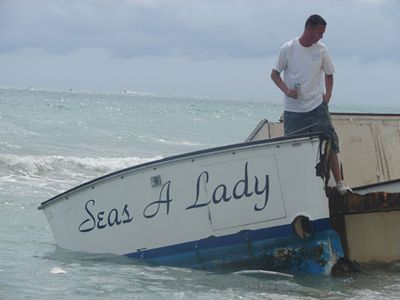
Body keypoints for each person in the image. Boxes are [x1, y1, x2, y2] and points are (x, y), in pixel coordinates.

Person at [270, 14, 351, 195]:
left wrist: (328, 95)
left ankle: (340, 183)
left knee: (330, 143)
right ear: (309, 29)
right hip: (293, 110)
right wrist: (287, 91)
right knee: (292, 148)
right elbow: (274, 74)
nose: (321, 36)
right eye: (319, 32)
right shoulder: (288, 49)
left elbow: (329, 74)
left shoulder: (321, 50)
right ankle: (295, 187)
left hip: (317, 106)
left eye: (323, 33)